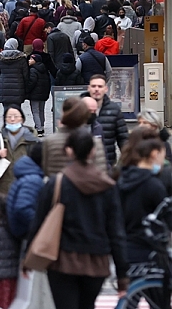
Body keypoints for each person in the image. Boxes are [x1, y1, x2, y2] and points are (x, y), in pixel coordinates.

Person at [26, 129, 129, 309]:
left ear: (69, 150)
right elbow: (116, 231)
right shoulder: (107, 186)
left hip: (62, 260)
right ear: (93, 152)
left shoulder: (56, 183)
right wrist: (122, 274)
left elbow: (38, 222)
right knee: (87, 305)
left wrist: (27, 258)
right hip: (97, 261)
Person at [116, 132, 171, 308]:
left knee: (129, 300)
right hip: (150, 250)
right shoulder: (153, 185)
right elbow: (167, 218)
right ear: (154, 154)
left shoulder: (120, 178)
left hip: (125, 248)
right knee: (159, 302)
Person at [42, 96, 108, 176]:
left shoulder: (50, 142)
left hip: (60, 185)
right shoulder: (95, 141)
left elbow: (46, 169)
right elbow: (102, 170)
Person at [0, 105, 39, 197]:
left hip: (25, 190)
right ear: (5, 120)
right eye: (9, 117)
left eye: (16, 116)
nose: (12, 119)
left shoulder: (32, 141)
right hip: (2, 192)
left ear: (22, 119)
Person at [81, 74, 127, 166]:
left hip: (106, 163)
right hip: (82, 164)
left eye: (100, 86)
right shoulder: (79, 107)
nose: (96, 89)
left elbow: (123, 138)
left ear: (106, 89)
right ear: (88, 88)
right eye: (93, 86)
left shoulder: (114, 109)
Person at [6, 143, 45, 239]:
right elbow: (22, 208)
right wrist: (41, 225)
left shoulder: (28, 173)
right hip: (25, 233)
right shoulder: (33, 180)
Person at [0, 39, 29, 111]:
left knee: (6, 111)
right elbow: (25, 74)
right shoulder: (21, 58)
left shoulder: (0, 58)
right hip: (18, 87)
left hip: (4, 86)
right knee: (17, 111)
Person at [26, 54, 51, 137]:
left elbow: (31, 82)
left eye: (31, 59)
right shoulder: (44, 69)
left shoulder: (33, 70)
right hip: (43, 94)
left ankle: (38, 129)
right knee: (41, 110)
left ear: (35, 60)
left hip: (35, 94)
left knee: (35, 111)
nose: (29, 60)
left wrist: (27, 91)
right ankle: (42, 126)